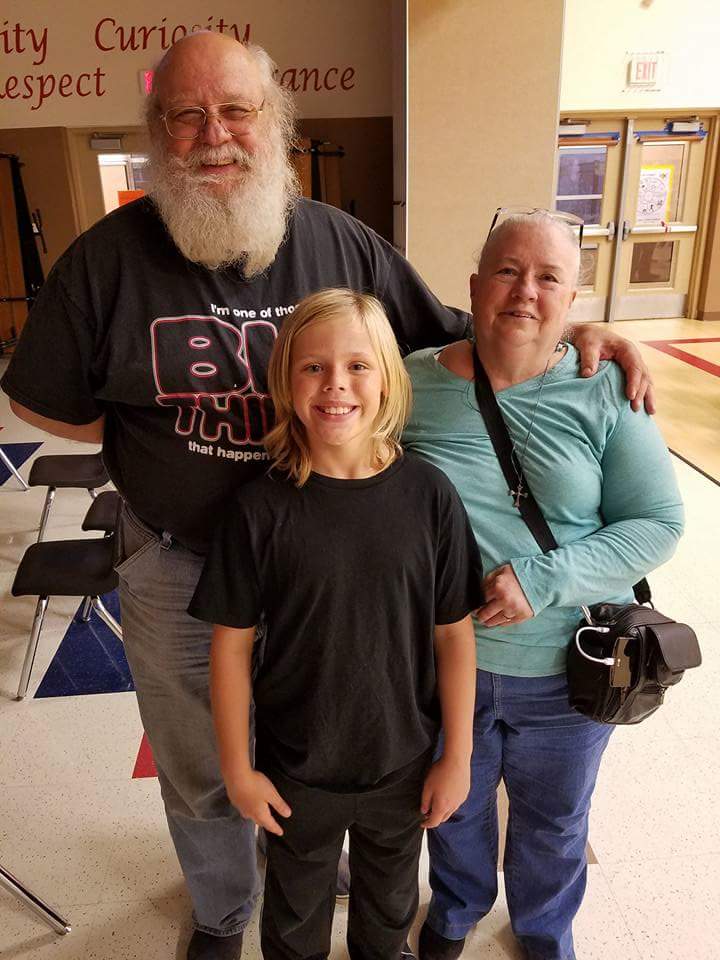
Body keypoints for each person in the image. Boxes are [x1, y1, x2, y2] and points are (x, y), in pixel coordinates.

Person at [1, 30, 653, 960]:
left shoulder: (339, 242)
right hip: (180, 564)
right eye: (186, 116)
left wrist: (575, 327)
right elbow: (37, 397)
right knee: (201, 764)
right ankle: (224, 909)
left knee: (326, 732)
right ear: (156, 129)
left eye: (236, 111)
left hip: (339, 564)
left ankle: (313, 848)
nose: (213, 134)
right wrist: (138, 429)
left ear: (275, 122)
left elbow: (455, 336)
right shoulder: (107, 259)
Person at [402, 210, 684, 960]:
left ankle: (543, 925)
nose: (525, 290)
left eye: (548, 277)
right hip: (444, 661)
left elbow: (657, 522)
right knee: (454, 806)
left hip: (569, 666)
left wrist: (540, 579)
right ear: (474, 287)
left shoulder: (604, 389)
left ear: (572, 299)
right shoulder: (410, 383)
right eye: (507, 271)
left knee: (555, 819)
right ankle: (457, 907)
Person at [188, 288, 482, 960]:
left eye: (357, 366)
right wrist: (237, 769)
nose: (335, 385)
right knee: (294, 926)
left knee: (389, 917)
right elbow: (229, 650)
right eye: (313, 367)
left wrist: (458, 757)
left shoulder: (430, 497)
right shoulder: (259, 510)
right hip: (296, 770)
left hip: (402, 763)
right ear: (286, 380)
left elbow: (454, 634)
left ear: (388, 380)